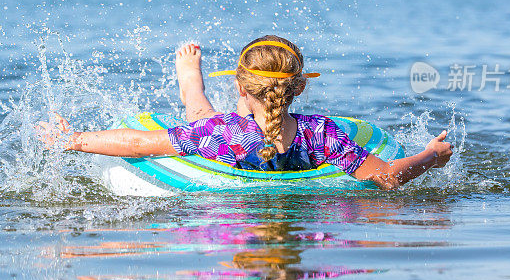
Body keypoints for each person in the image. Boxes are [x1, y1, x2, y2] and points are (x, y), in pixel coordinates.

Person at [36, 35, 452, 190]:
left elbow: (141, 144)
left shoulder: (219, 133)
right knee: (208, 121)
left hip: (229, 140)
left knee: (200, 116)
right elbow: (388, 176)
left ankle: (190, 82)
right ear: (300, 88)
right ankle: (191, 82)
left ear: (239, 86)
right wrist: (430, 156)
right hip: (263, 133)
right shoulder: (322, 135)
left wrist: (72, 141)